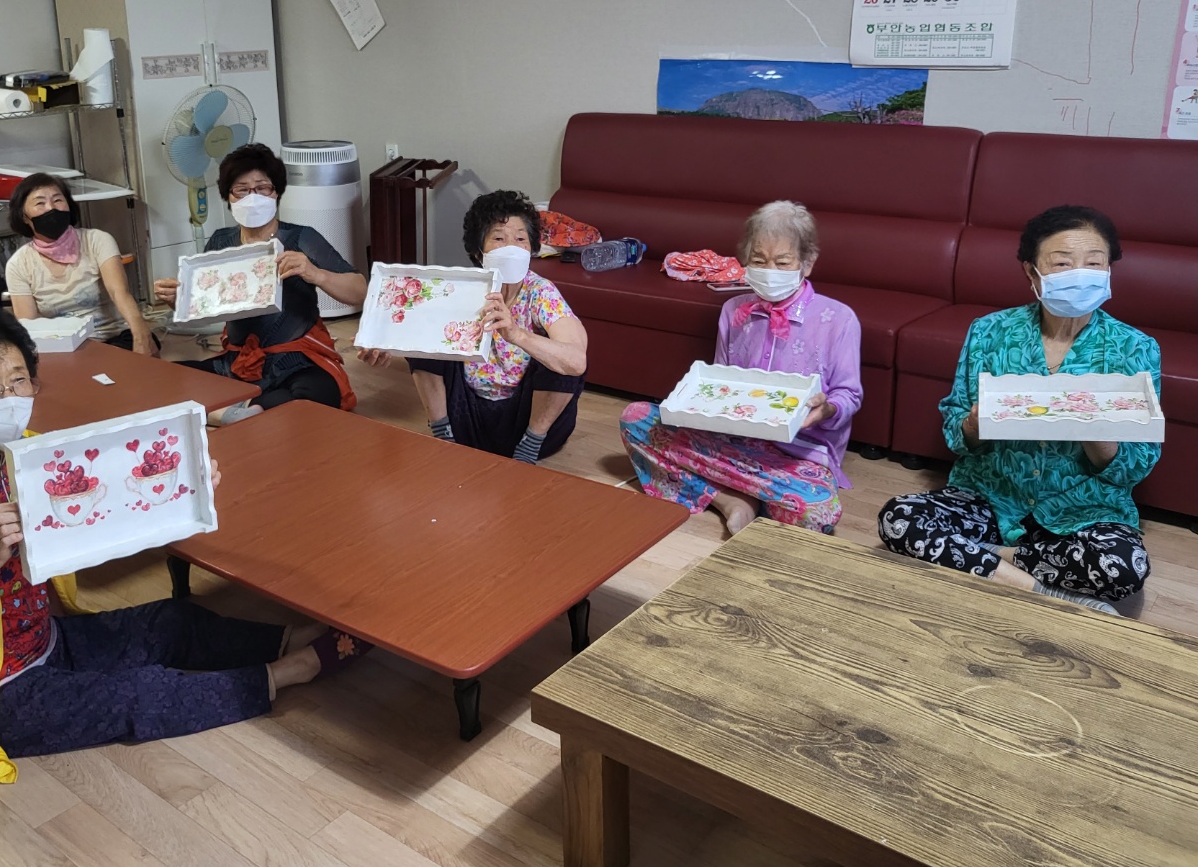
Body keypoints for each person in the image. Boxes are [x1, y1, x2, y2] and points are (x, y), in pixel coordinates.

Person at [0, 307, 370, 786]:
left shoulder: (28, 451)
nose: (10, 398)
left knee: (171, 621)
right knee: (139, 693)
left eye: (19, 381)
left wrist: (185, 488)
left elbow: (111, 513)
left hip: (42, 640)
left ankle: (287, 638)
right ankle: (287, 672)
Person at [878, 205, 1159, 614]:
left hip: (1082, 510)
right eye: (1062, 264)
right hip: (991, 497)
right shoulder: (989, 332)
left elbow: (1140, 462)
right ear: (1032, 272)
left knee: (1124, 566)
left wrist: (1096, 434)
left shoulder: (1135, 348)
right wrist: (973, 426)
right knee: (899, 518)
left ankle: (986, 558)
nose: (1079, 274)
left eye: (1094, 263)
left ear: (1109, 269)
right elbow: (956, 428)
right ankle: (1046, 592)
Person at [619, 200, 862, 534]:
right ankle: (732, 500)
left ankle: (734, 486)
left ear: (807, 263)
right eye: (759, 261)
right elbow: (722, 384)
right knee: (635, 419)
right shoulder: (734, 310)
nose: (770, 270)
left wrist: (827, 408)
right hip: (730, 440)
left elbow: (850, 395)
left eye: (782, 262)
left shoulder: (838, 319)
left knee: (817, 511)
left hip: (798, 454)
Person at [359, 190, 588, 463]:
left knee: (559, 358)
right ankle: (443, 434)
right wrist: (383, 345)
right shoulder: (461, 288)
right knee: (428, 336)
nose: (511, 247)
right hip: (467, 419)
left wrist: (517, 335)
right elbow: (409, 329)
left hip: (527, 422)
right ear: (479, 253)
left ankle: (528, 447)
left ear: (531, 249)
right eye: (499, 238)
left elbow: (576, 361)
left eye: (520, 239)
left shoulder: (541, 292)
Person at [154, 144, 368, 423]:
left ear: (276, 192)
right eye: (241, 190)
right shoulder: (221, 241)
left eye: (262, 188)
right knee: (166, 378)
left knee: (316, 393)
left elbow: (359, 291)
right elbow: (206, 306)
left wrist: (316, 273)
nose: (252, 197)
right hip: (236, 361)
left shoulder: (301, 238)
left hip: (296, 359)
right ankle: (247, 411)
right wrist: (180, 301)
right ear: (228, 197)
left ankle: (232, 411)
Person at [5, 173, 155, 354]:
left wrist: (141, 334)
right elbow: (29, 326)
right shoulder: (19, 264)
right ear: (23, 216)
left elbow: (119, 292)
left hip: (115, 336)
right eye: (40, 203)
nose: (51, 208)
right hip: (64, 347)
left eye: (58, 200)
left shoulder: (97, 240)